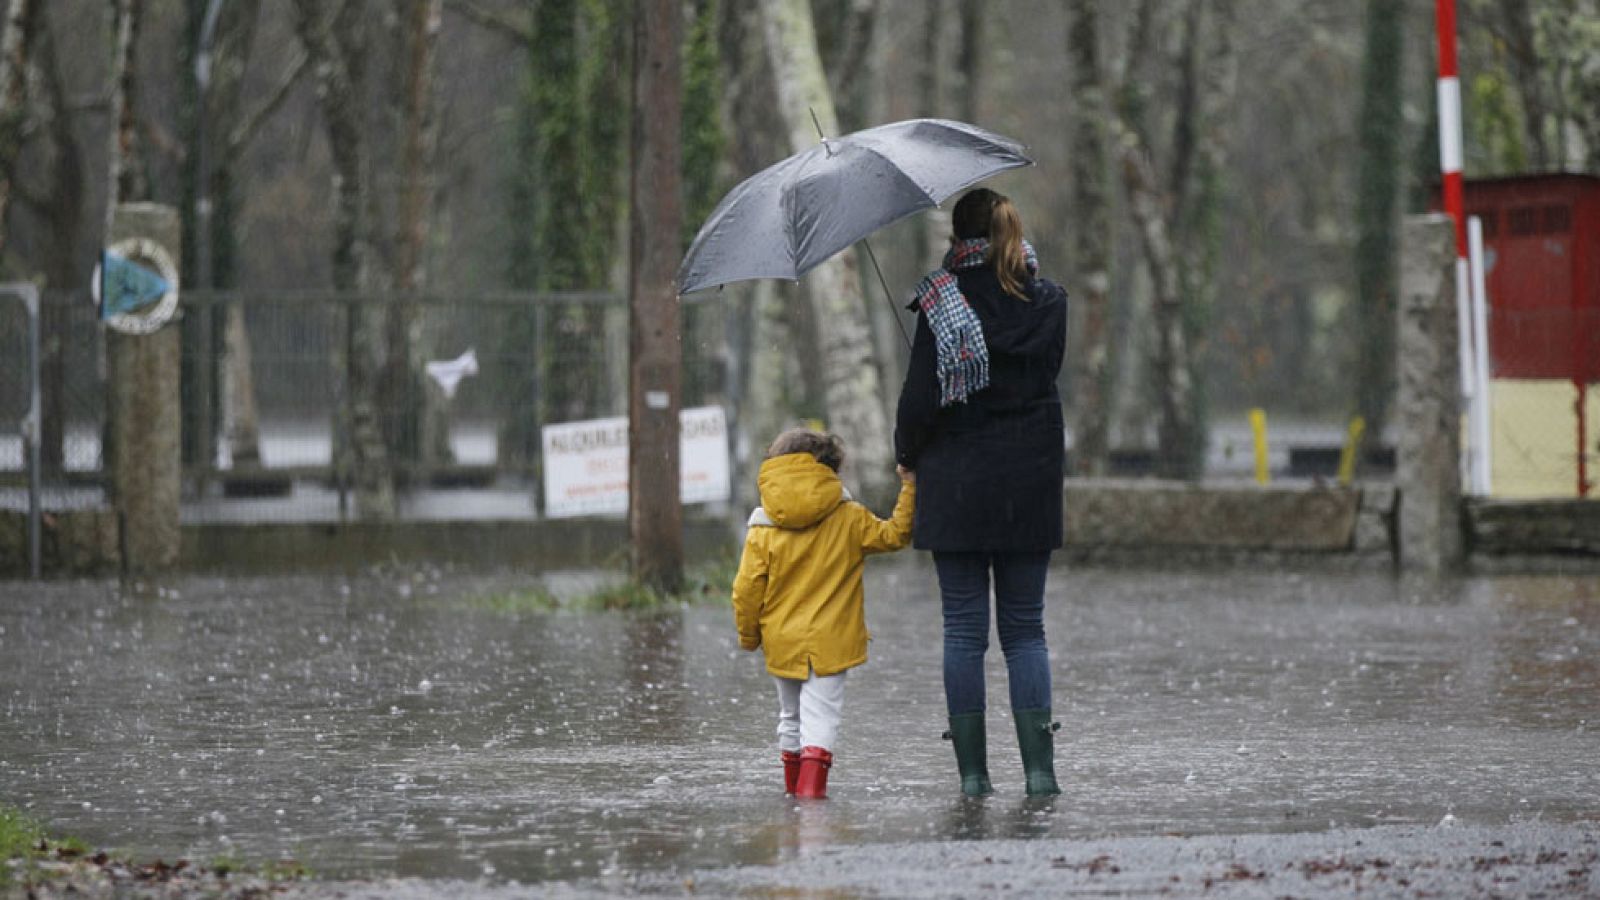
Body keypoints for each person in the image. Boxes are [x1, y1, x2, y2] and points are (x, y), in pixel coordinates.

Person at [894, 187, 1068, 797]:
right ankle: (1040, 773)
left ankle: (972, 777)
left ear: (956, 237)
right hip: (1030, 482)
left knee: (964, 633)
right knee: (1026, 631)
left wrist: (906, 455)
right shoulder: (1050, 302)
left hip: (958, 485)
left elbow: (919, 403)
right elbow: (1044, 378)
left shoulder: (940, 302)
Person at [731, 428, 916, 799]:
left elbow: (746, 589)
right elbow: (895, 534)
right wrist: (910, 486)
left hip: (781, 639)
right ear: (830, 469)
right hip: (831, 639)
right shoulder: (849, 517)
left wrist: (749, 636)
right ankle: (811, 797)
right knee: (821, 717)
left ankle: (793, 794)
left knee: (790, 717)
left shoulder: (762, 526)